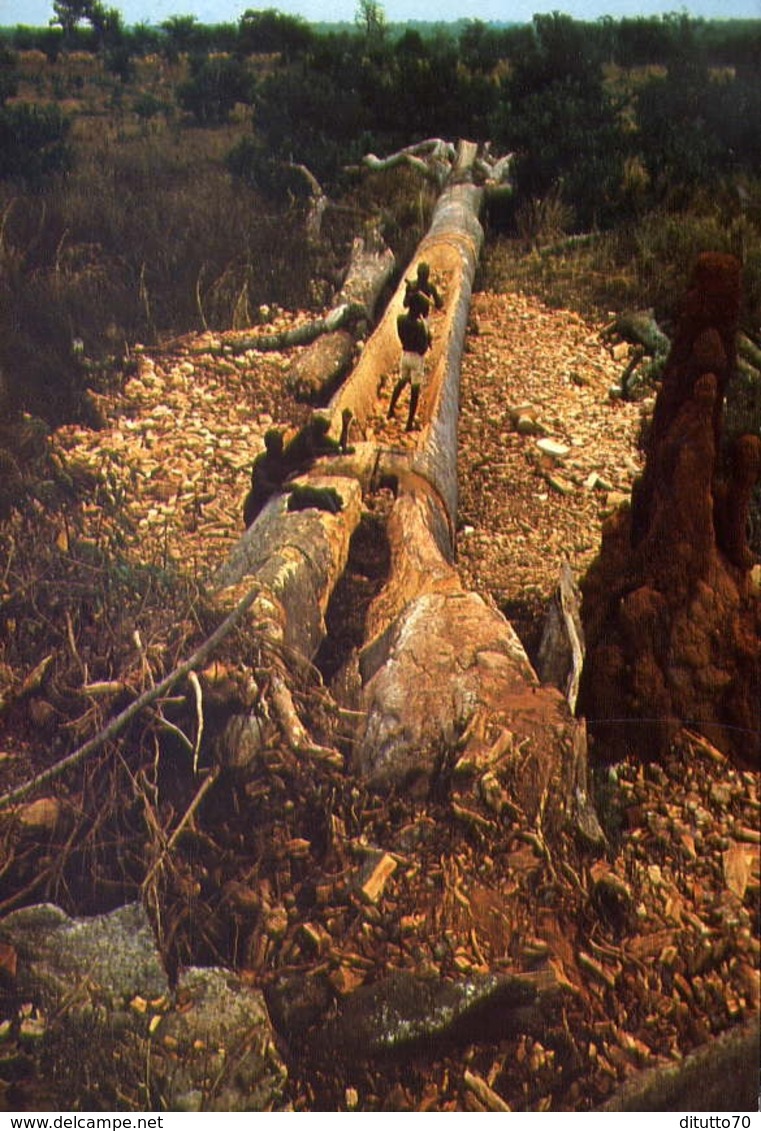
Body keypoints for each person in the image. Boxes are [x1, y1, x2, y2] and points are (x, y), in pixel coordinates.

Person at [388, 300, 432, 432]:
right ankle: (409, 423)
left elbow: (402, 337)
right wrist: (427, 338)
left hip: (405, 354)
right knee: (415, 390)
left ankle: (390, 410)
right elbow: (422, 348)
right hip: (416, 358)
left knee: (401, 381)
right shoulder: (419, 326)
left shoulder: (400, 319)